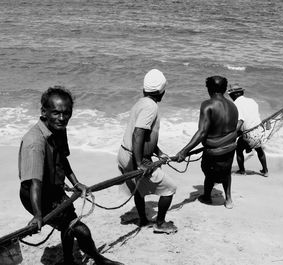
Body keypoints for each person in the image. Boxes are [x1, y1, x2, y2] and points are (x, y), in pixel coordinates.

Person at [18, 86, 122, 265]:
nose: (62, 118)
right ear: (44, 112)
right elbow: (34, 182)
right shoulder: (34, 142)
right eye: (56, 113)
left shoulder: (58, 128)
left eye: (66, 113)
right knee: (80, 229)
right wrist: (37, 215)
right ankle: (98, 259)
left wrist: (76, 183)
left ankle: (68, 260)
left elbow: (62, 159)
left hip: (54, 189)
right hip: (35, 195)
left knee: (69, 225)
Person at [117, 69, 178, 234]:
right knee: (170, 188)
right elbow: (138, 133)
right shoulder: (151, 107)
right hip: (135, 157)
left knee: (140, 189)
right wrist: (139, 164)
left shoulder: (141, 102)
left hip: (125, 153)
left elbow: (145, 136)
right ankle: (160, 223)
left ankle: (143, 220)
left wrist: (159, 153)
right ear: (161, 91)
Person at [176, 76, 238, 209]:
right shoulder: (233, 106)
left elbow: (202, 132)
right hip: (230, 149)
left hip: (213, 152)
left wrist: (184, 151)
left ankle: (207, 197)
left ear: (209, 89)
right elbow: (234, 129)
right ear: (225, 89)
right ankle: (228, 199)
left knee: (209, 173)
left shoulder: (207, 105)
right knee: (226, 172)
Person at [227, 83, 269, 177]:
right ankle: (265, 171)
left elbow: (240, 121)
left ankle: (242, 171)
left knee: (238, 149)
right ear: (241, 92)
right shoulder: (252, 101)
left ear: (233, 95)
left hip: (249, 135)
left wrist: (231, 135)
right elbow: (254, 117)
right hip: (260, 133)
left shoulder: (235, 105)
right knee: (259, 149)